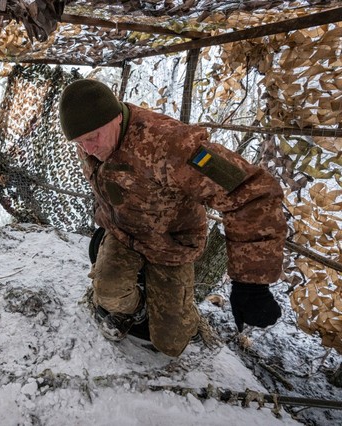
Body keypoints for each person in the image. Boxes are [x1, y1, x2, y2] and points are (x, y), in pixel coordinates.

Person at [59, 79, 286, 356]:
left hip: (170, 245)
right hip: (123, 233)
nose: (89, 148)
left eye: (93, 137)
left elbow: (250, 193)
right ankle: (137, 307)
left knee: (171, 343)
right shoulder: (89, 140)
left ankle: (162, 300)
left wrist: (251, 283)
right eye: (79, 143)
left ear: (116, 117)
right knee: (108, 294)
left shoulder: (170, 145)